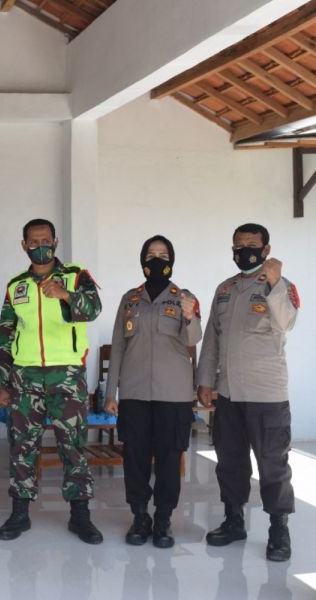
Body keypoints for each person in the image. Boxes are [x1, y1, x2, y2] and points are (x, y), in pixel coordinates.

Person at [0, 218, 104, 544]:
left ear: (55, 242)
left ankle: (80, 516)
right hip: (25, 377)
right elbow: (4, 336)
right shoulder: (16, 286)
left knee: (74, 447)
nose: (39, 245)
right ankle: (19, 513)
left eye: (45, 239)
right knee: (22, 447)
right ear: (24, 245)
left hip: (67, 376)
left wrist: (65, 294)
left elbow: (93, 309)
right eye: (33, 240)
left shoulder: (76, 275)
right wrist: (3, 384)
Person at [197, 223, 298, 562]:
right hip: (229, 393)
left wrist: (274, 282)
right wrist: (205, 381)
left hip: (267, 393)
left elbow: (286, 322)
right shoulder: (224, 289)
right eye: (239, 245)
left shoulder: (281, 286)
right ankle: (234, 520)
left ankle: (278, 528)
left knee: (273, 465)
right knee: (230, 462)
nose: (245, 250)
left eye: (252, 245)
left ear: (266, 249)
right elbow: (212, 338)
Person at [103, 235, 201, 548]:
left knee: (170, 459)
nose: (156, 259)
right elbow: (118, 346)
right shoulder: (129, 299)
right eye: (151, 254)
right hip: (134, 392)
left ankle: (163, 520)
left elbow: (193, 338)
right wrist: (110, 393)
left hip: (174, 394)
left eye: (163, 253)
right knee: (135, 458)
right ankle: (140, 515)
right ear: (142, 261)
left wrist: (190, 314)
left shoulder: (184, 297)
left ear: (172, 259)